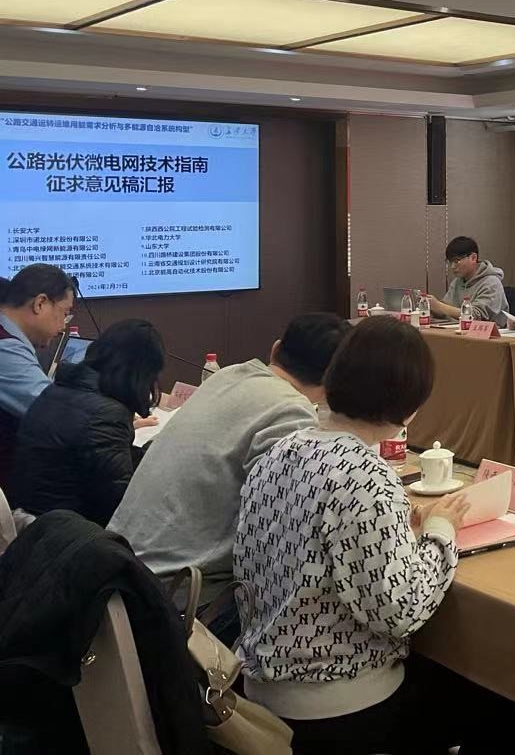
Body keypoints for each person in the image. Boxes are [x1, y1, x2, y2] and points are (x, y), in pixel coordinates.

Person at [235, 317, 468, 753]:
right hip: (334, 704)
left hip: (260, 687)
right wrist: (441, 530)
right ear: (410, 406)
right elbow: (401, 609)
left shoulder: (281, 450)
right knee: (485, 704)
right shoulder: (365, 475)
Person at [108, 313, 350, 612]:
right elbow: (278, 533)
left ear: (275, 349)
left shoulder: (227, 376)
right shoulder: (290, 414)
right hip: (174, 598)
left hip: (119, 568)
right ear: (337, 379)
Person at [10, 319, 164, 526]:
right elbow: (118, 502)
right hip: (64, 530)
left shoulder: (57, 390)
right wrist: (162, 453)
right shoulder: (107, 413)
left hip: (33, 516)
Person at [0, 264, 75, 418]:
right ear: (40, 303)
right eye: (65, 313)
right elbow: (56, 411)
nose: (63, 326)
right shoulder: (5, 347)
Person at [428, 236, 506, 322]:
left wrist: (440, 306)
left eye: (456, 261)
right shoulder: (457, 281)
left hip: (489, 330)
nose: (452, 266)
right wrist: (432, 308)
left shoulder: (491, 283)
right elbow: (447, 310)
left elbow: (476, 316)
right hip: (458, 329)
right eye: (450, 262)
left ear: (473, 258)